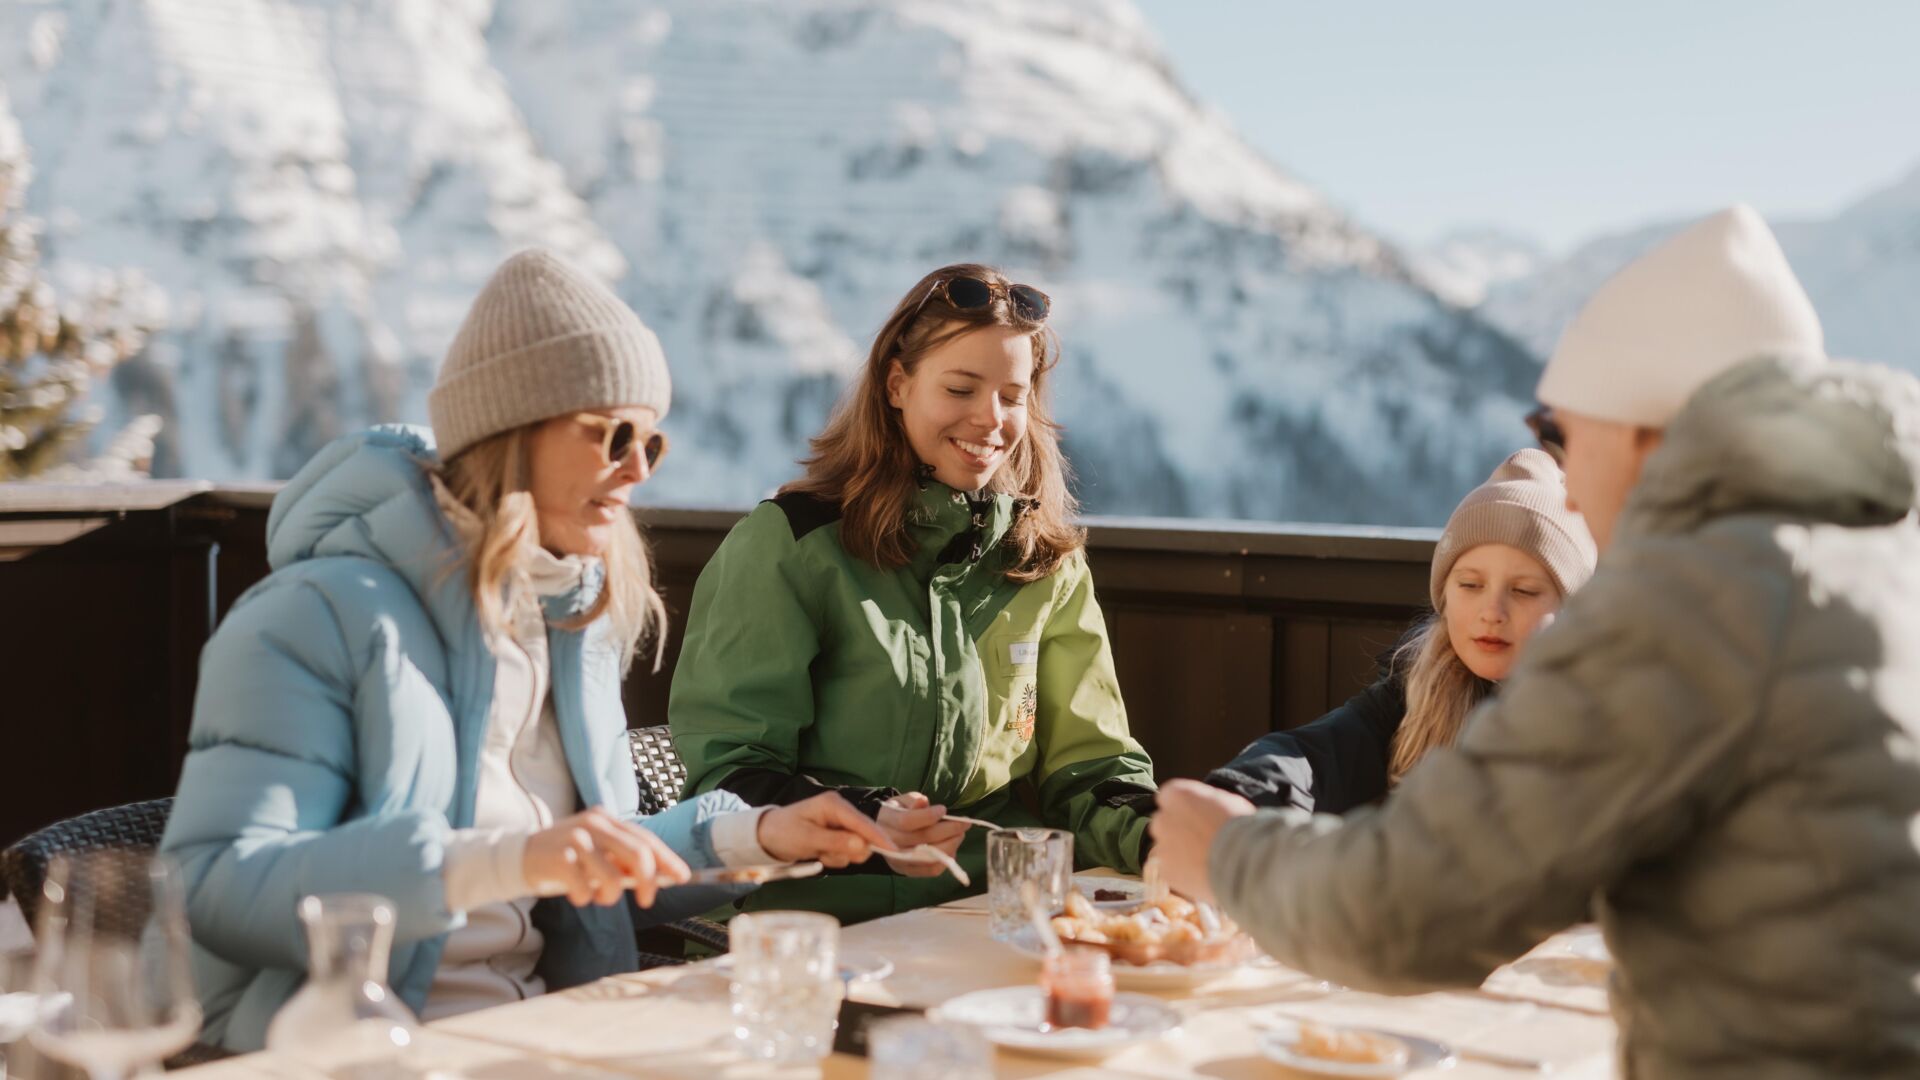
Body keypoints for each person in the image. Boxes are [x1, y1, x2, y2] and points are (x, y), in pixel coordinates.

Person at [1151, 206, 1920, 1076]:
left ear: (1645, 429)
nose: (1568, 486)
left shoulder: (1685, 609)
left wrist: (1228, 856)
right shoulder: (1878, 555)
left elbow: (1412, 910)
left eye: (1559, 434)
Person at [161, 250, 891, 1051]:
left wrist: (758, 835)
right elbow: (217, 889)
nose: (634, 472)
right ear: (509, 429)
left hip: (543, 1035)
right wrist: (508, 860)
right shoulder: (314, 618)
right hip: (353, 1051)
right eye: (613, 435)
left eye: (653, 444)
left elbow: (591, 868)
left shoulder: (571, 619)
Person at [670, 264, 1156, 923]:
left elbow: (1092, 769)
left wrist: (1162, 839)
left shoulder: (1042, 561)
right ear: (898, 385)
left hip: (989, 916)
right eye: (961, 388)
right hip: (820, 921)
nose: (991, 419)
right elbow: (730, 775)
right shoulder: (793, 545)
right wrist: (872, 819)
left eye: (1013, 397)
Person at [1205, 449, 1594, 813]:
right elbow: (1315, 754)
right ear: (1444, 597)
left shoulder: (1609, 716)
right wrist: (1241, 798)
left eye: (1524, 591)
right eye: (1470, 585)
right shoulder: (1417, 689)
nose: (1492, 612)